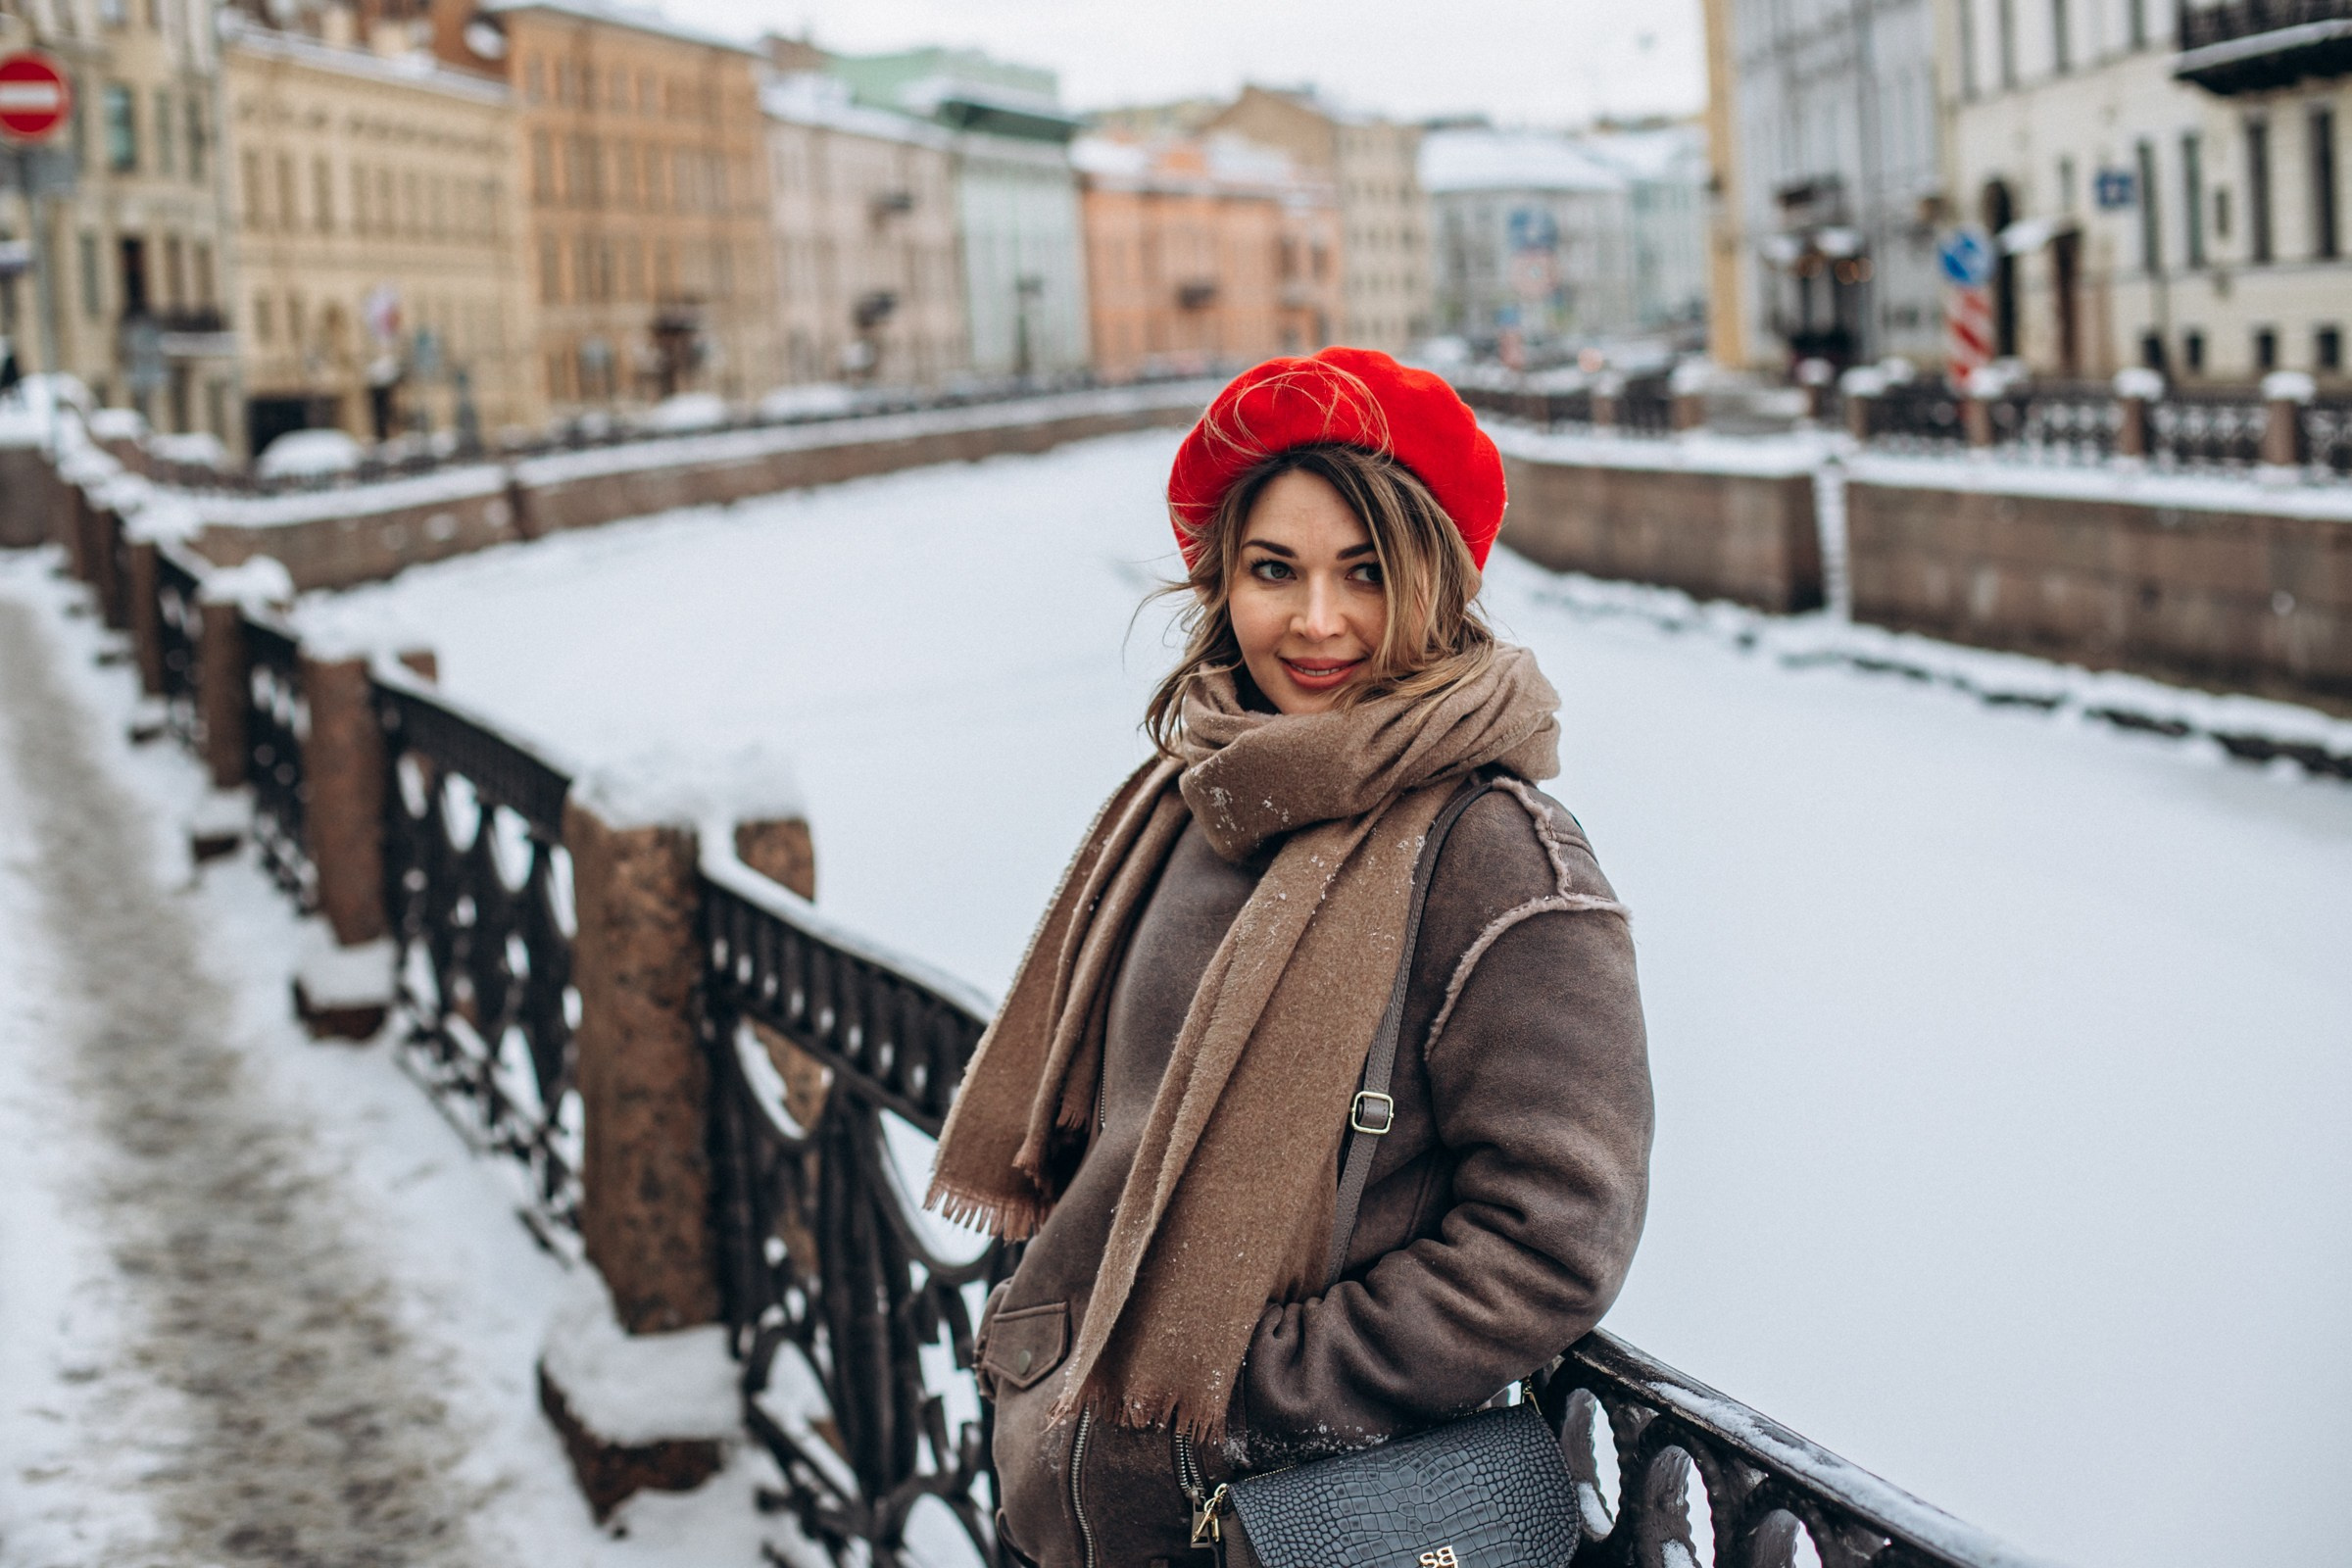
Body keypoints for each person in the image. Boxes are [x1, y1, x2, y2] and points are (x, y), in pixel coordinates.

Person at [928, 347, 1653, 1568]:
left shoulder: (1502, 858)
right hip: (1082, 1495)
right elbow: (1106, 1137)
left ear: (1437, 581)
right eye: (1276, 571)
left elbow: (1551, 1240)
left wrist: (1250, 1376)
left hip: (1286, 1515)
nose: (1317, 622)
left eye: (1365, 574)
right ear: (1223, 584)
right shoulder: (1190, 799)